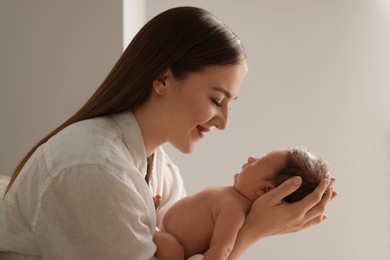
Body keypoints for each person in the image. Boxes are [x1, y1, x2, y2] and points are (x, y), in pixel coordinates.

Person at [0, 6, 337, 260]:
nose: (223, 122)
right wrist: (250, 233)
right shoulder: (93, 168)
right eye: (216, 100)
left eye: (230, 104)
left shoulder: (158, 166)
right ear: (162, 80)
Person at [154, 147, 332, 260]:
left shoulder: (234, 210)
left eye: (258, 163)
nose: (250, 158)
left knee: (169, 249)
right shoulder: (229, 194)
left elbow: (222, 249)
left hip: (171, 250)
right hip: (163, 231)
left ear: (265, 190)